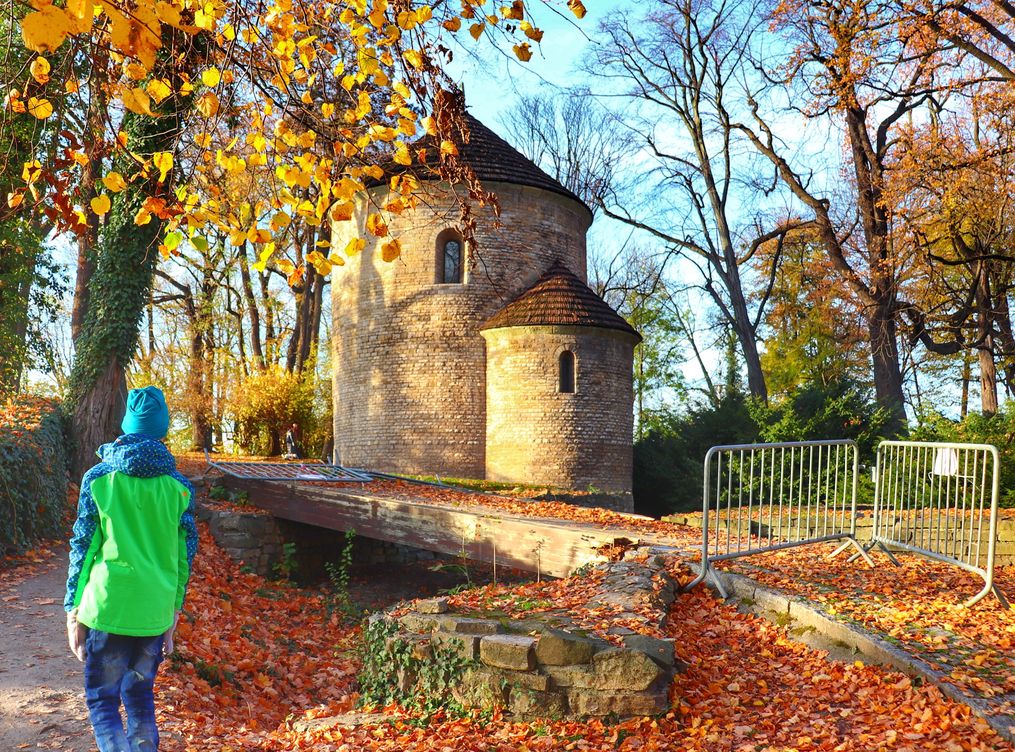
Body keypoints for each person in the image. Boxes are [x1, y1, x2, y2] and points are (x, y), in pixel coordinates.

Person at [64, 386, 198, 752]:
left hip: (107, 609)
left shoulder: (98, 479)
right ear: (162, 430)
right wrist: (173, 615)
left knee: (103, 702)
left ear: (126, 425)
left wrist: (73, 611)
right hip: (153, 612)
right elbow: (184, 558)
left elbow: (83, 546)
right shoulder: (180, 489)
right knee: (140, 700)